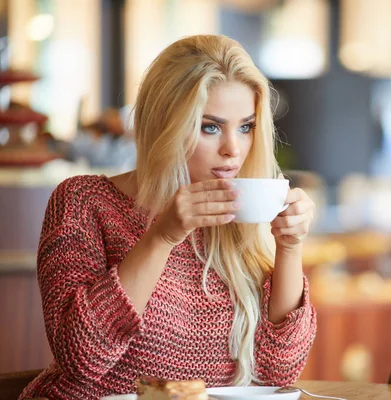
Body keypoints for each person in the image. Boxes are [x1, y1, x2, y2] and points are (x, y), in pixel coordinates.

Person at [20, 35, 317, 400]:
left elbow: (279, 371)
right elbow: (81, 357)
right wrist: (161, 237)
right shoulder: (84, 202)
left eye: (245, 126)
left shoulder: (237, 222)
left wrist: (289, 247)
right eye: (210, 126)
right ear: (165, 125)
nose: (233, 149)